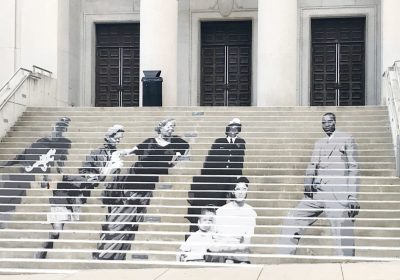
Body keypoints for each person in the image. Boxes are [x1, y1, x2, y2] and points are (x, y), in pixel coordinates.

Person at [93, 118, 190, 260]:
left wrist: (178, 157)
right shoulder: (150, 141)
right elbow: (132, 150)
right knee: (121, 218)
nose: (171, 129)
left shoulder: (176, 145)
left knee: (132, 221)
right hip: (134, 180)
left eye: (173, 127)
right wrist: (119, 153)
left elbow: (184, 151)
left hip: (148, 185)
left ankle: (117, 254)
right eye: (168, 126)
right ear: (160, 127)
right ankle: (105, 253)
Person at [33, 125, 125, 259]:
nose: (118, 141)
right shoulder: (97, 153)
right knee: (56, 232)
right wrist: (101, 173)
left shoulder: (114, 156)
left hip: (79, 194)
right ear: (109, 137)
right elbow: (85, 172)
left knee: (58, 231)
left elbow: (109, 179)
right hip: (64, 194)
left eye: (120, 139)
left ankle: (43, 251)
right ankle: (42, 251)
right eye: (116, 139)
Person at [278, 112, 360, 256]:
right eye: (323, 122)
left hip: (337, 194)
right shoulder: (319, 143)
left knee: (343, 229)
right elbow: (312, 164)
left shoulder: (346, 138)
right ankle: (284, 256)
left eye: (329, 122)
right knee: (292, 219)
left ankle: (347, 263)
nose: (326, 125)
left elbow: (353, 168)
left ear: (335, 122)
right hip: (317, 193)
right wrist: (308, 182)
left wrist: (352, 196)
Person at [0, 117, 71, 229]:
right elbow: (22, 156)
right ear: (53, 128)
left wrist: (59, 173)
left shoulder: (64, 144)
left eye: (62, 129)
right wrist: (5, 164)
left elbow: (60, 161)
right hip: (28, 171)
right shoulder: (41, 142)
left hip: (39, 175)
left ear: (65, 131)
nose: (58, 131)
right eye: (57, 128)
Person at [187, 118, 246, 232]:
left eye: (236, 128)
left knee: (227, 200)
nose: (234, 130)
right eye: (232, 128)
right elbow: (211, 157)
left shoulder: (241, 142)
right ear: (228, 130)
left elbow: (240, 158)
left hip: (232, 174)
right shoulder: (219, 141)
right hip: (218, 174)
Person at [207, 176, 257, 264]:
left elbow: (246, 241)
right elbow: (213, 236)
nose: (241, 192)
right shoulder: (221, 211)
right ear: (233, 191)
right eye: (238, 189)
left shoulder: (251, 212)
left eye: (244, 189)